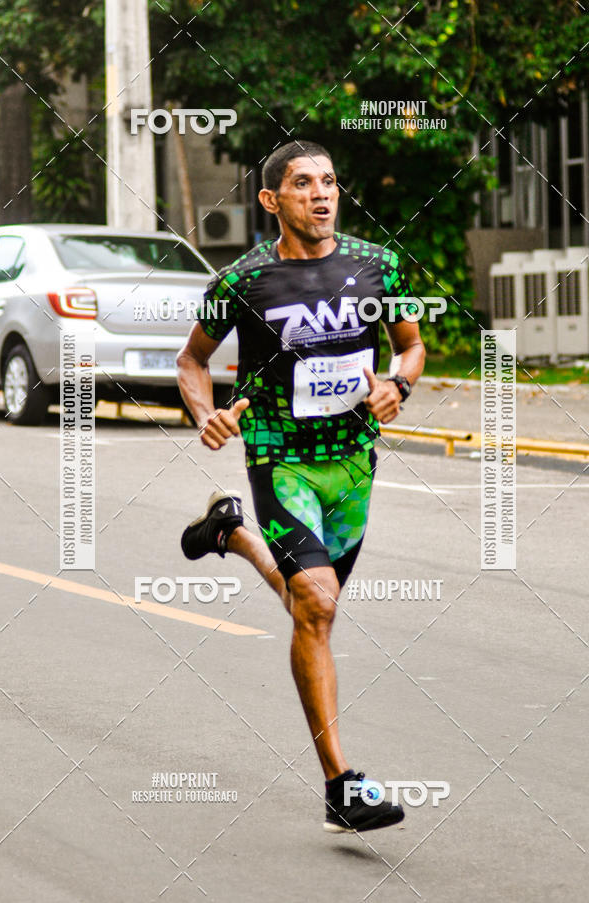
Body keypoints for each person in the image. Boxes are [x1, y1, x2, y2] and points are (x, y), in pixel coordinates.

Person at [176, 140, 425, 833]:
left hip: (352, 463)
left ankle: (228, 532)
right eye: (304, 184)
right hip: (279, 457)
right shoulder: (244, 280)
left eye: (330, 182)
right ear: (271, 200)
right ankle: (341, 785)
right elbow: (192, 361)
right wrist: (209, 415)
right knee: (316, 602)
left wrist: (398, 384)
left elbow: (410, 344)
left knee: (311, 601)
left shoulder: (377, 265)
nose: (321, 194)